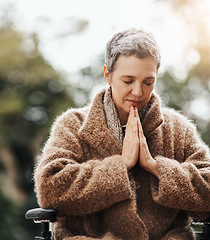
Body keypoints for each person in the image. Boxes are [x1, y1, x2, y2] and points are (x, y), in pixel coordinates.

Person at [34, 28, 210, 240]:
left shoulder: (178, 129)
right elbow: (50, 188)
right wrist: (121, 164)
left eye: (148, 82)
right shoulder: (72, 125)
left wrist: (157, 167)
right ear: (107, 74)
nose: (138, 92)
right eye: (128, 81)